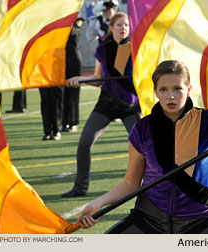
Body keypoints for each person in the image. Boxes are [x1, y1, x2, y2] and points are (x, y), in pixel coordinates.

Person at [76, 60, 208, 234]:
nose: (170, 96)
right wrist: (98, 203)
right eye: (163, 90)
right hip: (149, 219)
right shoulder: (142, 129)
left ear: (188, 90)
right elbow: (130, 183)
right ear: (155, 92)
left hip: (202, 218)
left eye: (177, 89)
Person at [62, 13, 141, 198]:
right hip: (105, 104)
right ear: (111, 27)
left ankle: (145, 186)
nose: (123, 28)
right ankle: (80, 187)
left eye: (127, 26)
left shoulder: (136, 48)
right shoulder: (102, 50)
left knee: (143, 147)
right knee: (84, 143)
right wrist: (80, 79)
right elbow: (98, 79)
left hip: (130, 105)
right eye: (119, 25)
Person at [62, 17, 85, 133]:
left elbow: (74, 32)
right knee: (64, 91)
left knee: (74, 91)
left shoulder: (78, 20)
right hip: (62, 58)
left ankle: (73, 122)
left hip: (74, 58)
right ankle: (63, 121)